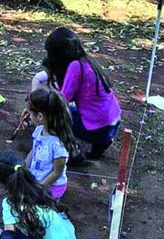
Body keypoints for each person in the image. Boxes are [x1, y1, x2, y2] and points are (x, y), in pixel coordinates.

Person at [32, 27, 121, 159]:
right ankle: (100, 143)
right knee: (70, 110)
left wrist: (35, 107)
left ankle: (72, 153)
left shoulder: (75, 67)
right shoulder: (86, 60)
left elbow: (61, 101)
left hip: (101, 129)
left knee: (54, 117)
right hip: (112, 123)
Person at [25, 89, 78, 200]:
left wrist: (39, 187)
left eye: (29, 113)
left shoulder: (58, 145)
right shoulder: (39, 130)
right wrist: (24, 166)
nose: (28, 116)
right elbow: (34, 150)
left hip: (52, 187)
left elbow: (56, 173)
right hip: (37, 180)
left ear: (40, 116)